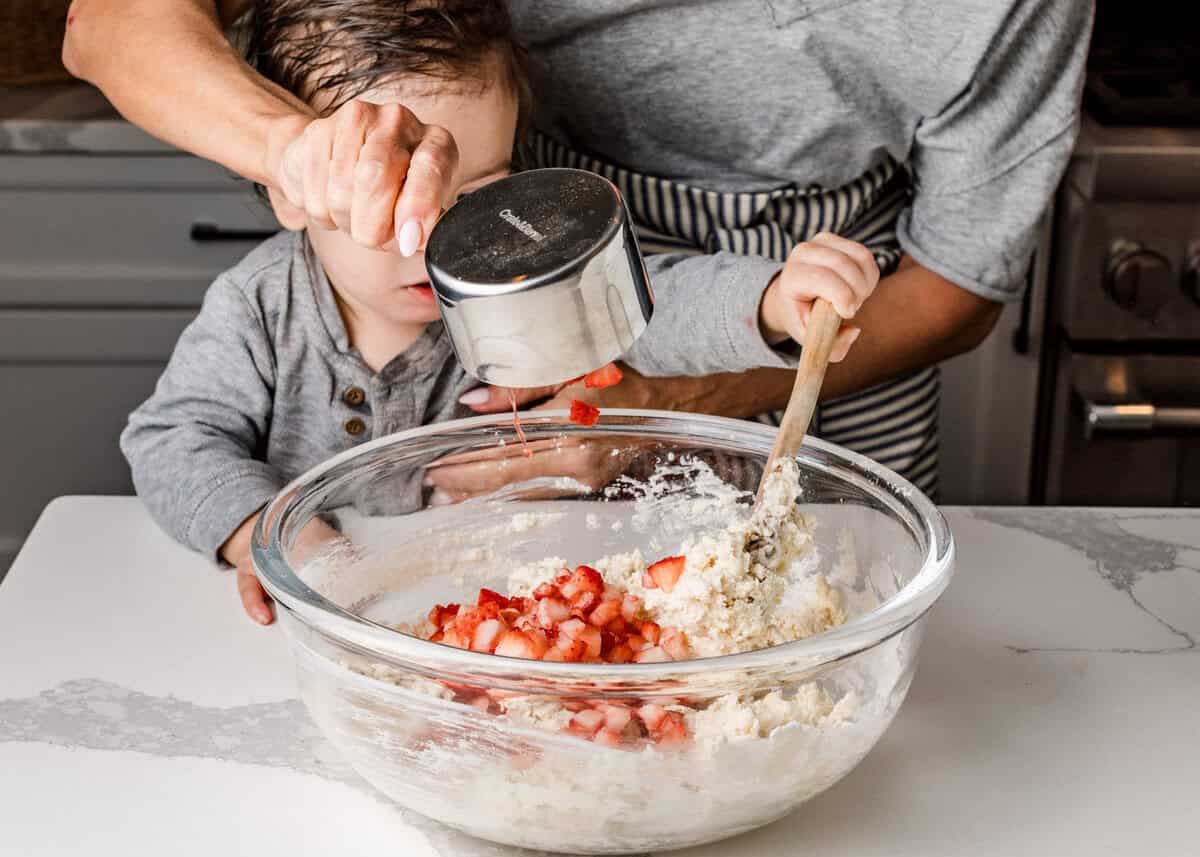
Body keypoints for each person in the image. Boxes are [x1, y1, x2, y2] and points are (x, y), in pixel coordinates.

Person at [116, 0, 881, 625]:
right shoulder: (258, 310)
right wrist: (269, 540)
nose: (441, 239)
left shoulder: (523, 279)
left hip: (510, 602)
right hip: (324, 623)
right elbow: (170, 443)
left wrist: (771, 302)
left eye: (481, 192)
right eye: (391, 196)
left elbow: (654, 302)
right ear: (291, 191)